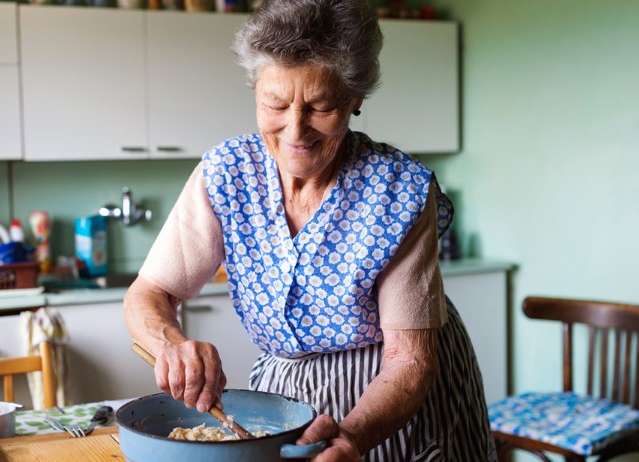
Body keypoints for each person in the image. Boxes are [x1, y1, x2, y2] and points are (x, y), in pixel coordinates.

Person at [124, 0, 496, 460]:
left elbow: (409, 360)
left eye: (321, 106)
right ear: (254, 91)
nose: (295, 130)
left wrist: (354, 435)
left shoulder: (400, 191)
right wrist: (172, 344)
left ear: (356, 99)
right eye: (275, 104)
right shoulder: (225, 172)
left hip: (395, 397)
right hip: (286, 394)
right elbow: (149, 293)